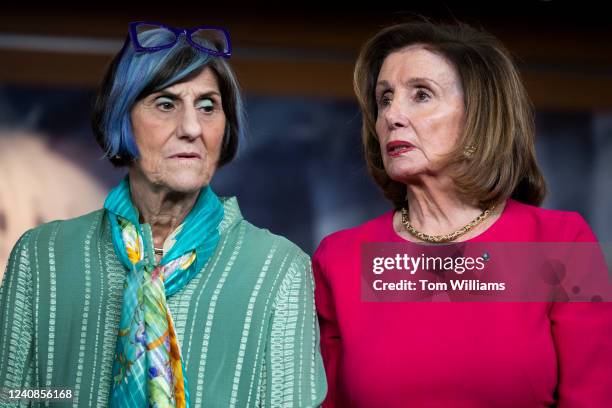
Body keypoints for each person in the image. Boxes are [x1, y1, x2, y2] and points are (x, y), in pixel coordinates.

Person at [0, 21, 326, 407]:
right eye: (166, 104)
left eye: (208, 107)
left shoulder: (278, 270)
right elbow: (13, 396)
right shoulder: (42, 257)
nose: (191, 127)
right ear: (122, 118)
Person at [313, 21, 612, 407]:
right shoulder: (339, 258)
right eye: (385, 98)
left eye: (421, 95)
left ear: (478, 120)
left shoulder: (561, 242)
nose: (391, 116)